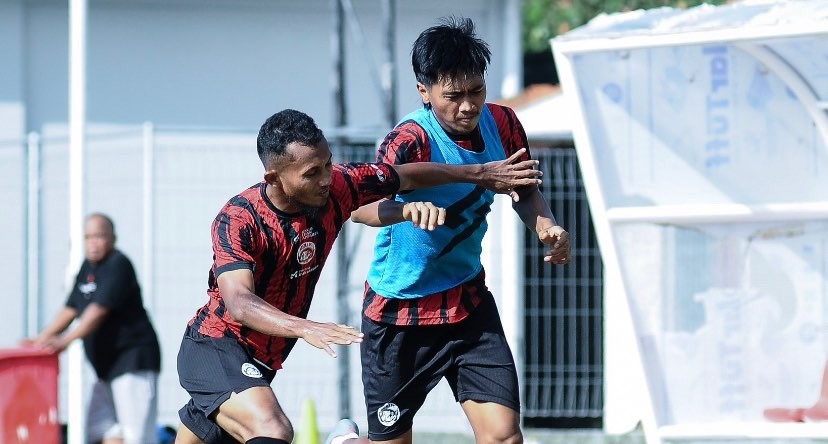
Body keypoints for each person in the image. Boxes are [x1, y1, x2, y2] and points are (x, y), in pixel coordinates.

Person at [173, 108, 543, 444]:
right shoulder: (239, 219)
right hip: (215, 345)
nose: (325, 178)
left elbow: (405, 176)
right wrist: (306, 327)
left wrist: (477, 174)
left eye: (328, 164)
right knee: (272, 430)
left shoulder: (339, 186)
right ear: (274, 177)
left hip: (263, 360)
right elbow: (238, 302)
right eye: (311, 173)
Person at [330, 17, 571, 444]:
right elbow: (360, 207)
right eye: (453, 96)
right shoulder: (408, 140)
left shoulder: (505, 125)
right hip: (398, 311)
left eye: (476, 91)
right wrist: (406, 211)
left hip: (467, 303)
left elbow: (524, 189)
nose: (467, 106)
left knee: (503, 436)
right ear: (424, 91)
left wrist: (546, 226)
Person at [23, 213, 162, 444]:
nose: (93, 243)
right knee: (99, 432)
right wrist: (41, 340)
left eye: (99, 236)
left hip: (132, 363)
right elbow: (71, 309)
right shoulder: (87, 268)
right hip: (106, 371)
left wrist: (65, 342)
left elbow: (97, 311)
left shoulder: (118, 264)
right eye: (88, 237)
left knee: (137, 437)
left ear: (113, 238)